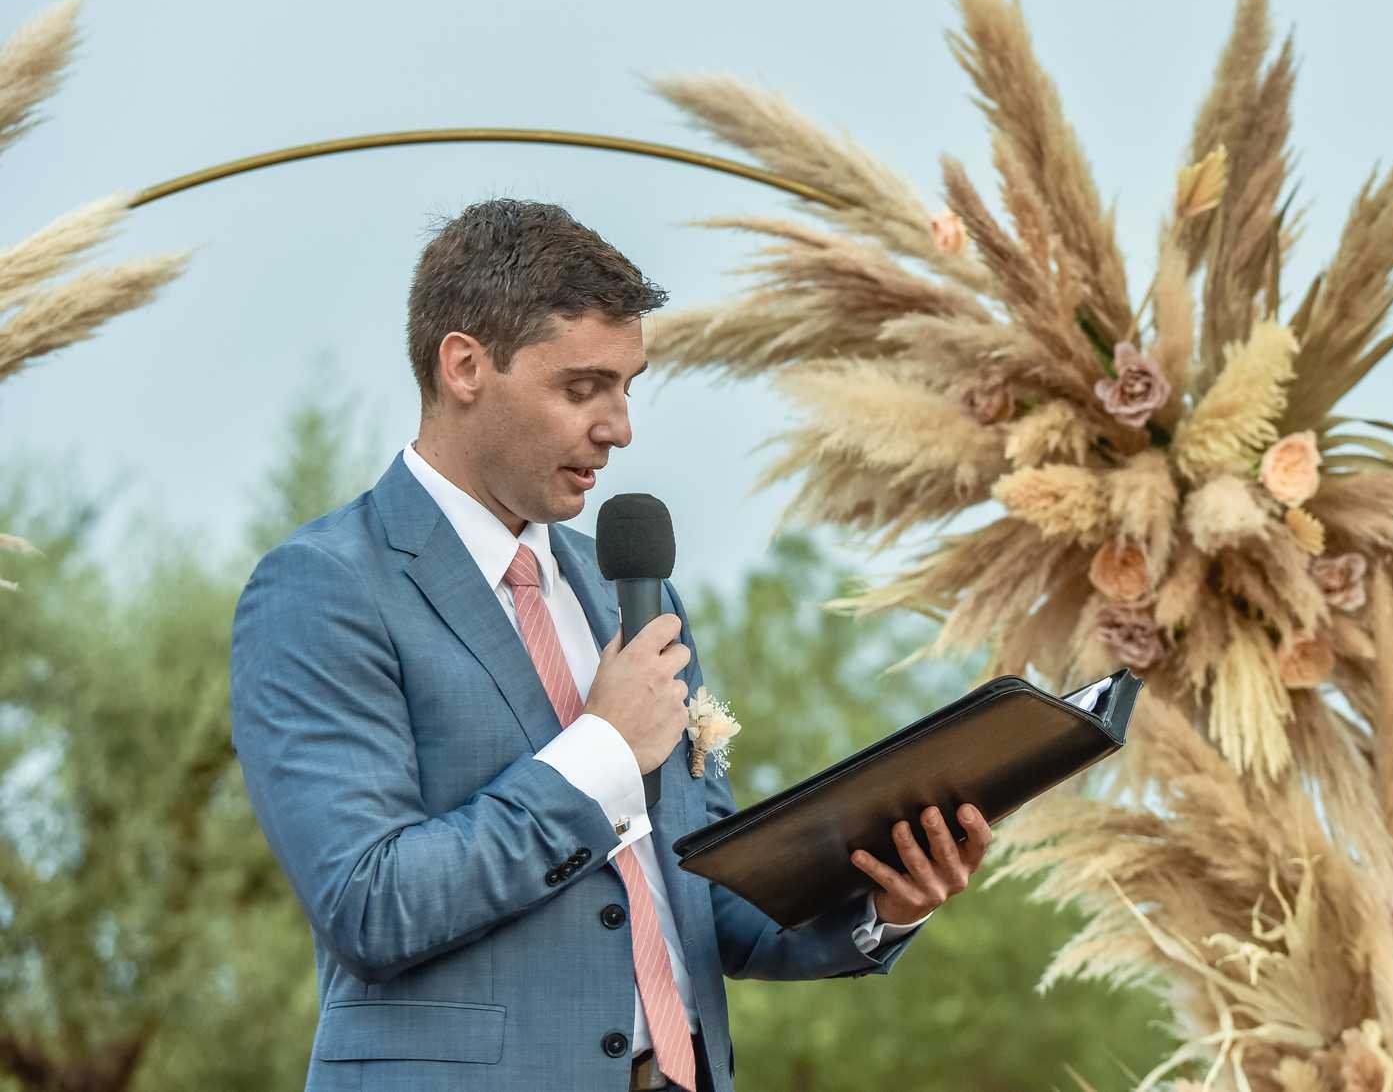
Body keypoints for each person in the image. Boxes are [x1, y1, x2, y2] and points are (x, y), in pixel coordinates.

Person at [229, 199, 989, 1092]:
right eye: (582, 388)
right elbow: (371, 905)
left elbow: (701, 899)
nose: (619, 427)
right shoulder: (324, 588)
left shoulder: (633, 587)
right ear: (465, 365)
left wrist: (877, 902)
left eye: (628, 386)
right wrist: (603, 752)